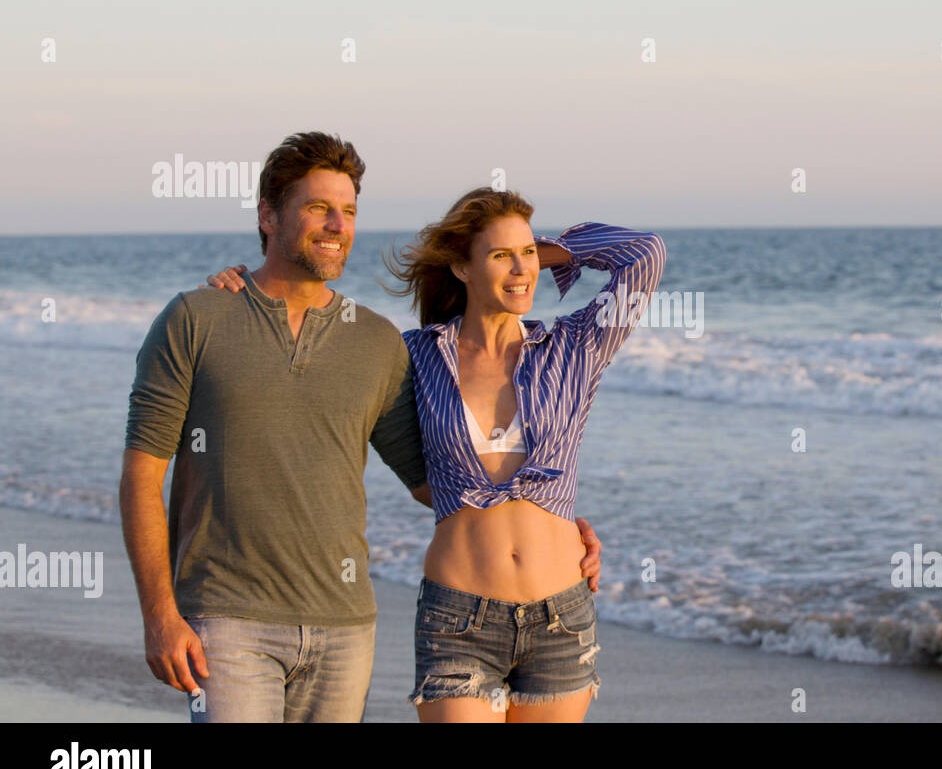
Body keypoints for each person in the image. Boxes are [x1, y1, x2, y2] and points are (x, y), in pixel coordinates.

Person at [121, 131, 603, 723]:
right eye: (318, 207)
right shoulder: (197, 317)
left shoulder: (376, 343)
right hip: (227, 620)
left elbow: (440, 482)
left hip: (344, 629)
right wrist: (160, 616)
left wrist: (554, 523)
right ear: (268, 215)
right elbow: (141, 478)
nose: (335, 225)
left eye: (347, 211)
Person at [208, 189, 664, 722]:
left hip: (561, 620)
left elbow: (644, 254)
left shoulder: (574, 347)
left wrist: (548, 250)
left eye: (527, 255)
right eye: (500, 256)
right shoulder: (412, 356)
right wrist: (243, 293)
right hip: (459, 620)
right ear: (460, 268)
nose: (522, 270)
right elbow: (308, 354)